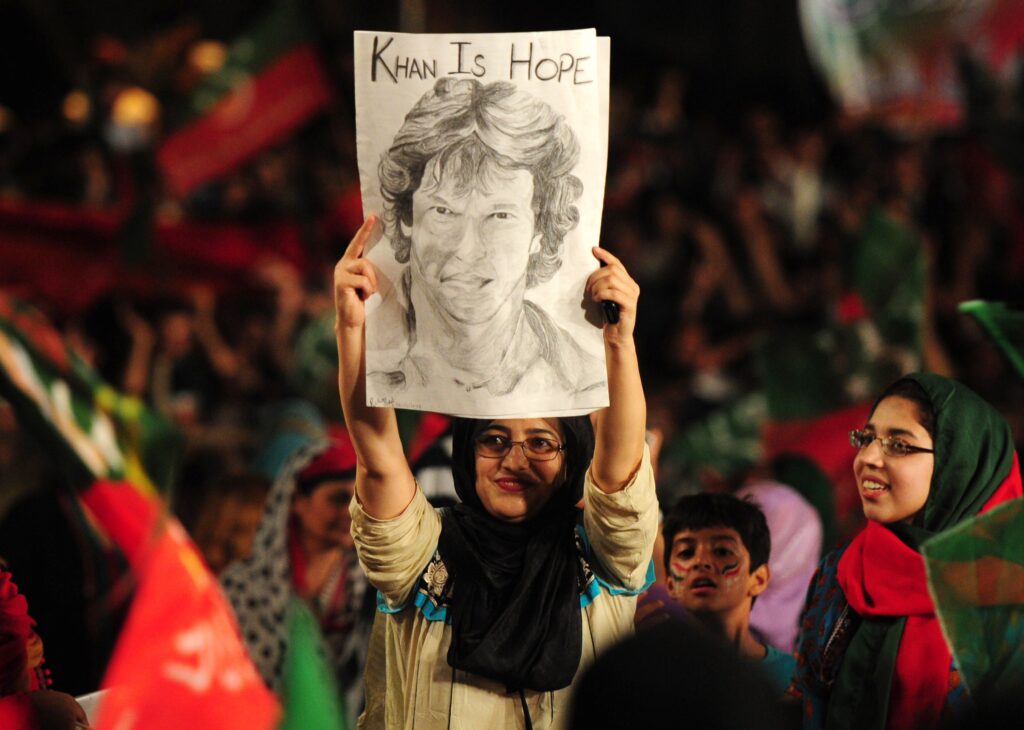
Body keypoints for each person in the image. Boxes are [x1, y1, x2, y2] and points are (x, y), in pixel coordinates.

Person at [335, 215, 656, 728]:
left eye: (541, 443)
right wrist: (352, 329)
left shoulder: (604, 559)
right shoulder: (422, 556)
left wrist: (619, 342)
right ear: (465, 450)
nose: (514, 459)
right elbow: (378, 456)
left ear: (573, 457)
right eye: (494, 439)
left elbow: (620, 472)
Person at [792, 373, 1023, 729]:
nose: (868, 457)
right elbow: (805, 700)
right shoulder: (842, 571)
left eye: (898, 445)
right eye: (866, 438)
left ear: (957, 463)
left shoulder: (1006, 600)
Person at [368, 77, 605, 405]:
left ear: (540, 228)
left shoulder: (584, 383)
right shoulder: (361, 360)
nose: (467, 250)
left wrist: (621, 348)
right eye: (444, 211)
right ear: (407, 217)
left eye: (500, 216)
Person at [220, 437, 374, 726]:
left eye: (358, 499)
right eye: (338, 499)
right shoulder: (242, 588)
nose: (350, 511)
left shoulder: (371, 588)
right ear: (297, 502)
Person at [661, 492, 796, 695]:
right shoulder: (655, 671)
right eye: (686, 553)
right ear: (670, 583)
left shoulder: (791, 680)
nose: (700, 562)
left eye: (722, 551)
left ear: (758, 579)